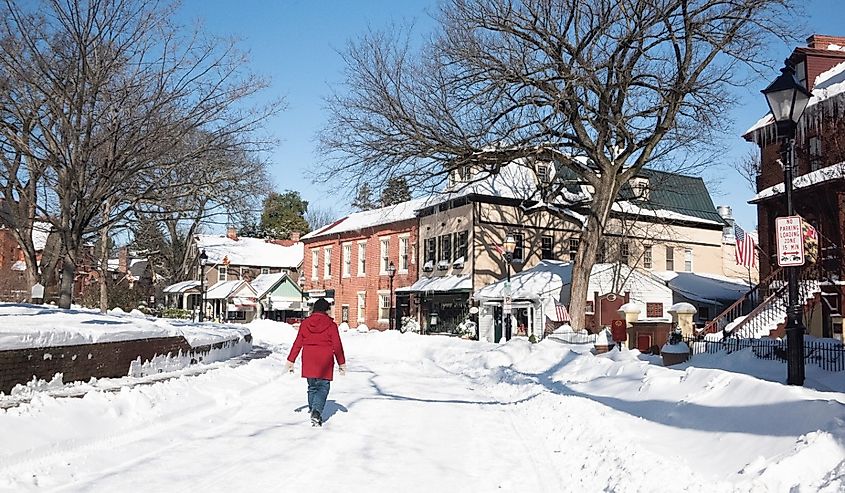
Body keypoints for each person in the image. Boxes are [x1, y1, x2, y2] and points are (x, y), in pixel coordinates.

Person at [286, 297, 346, 426]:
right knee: (323, 387)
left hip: (309, 359)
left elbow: (298, 343)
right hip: (324, 360)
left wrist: (291, 360)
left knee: (312, 386)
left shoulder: (305, 323)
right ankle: (316, 412)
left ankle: (312, 408)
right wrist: (341, 362)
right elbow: (337, 345)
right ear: (326, 310)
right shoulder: (331, 325)